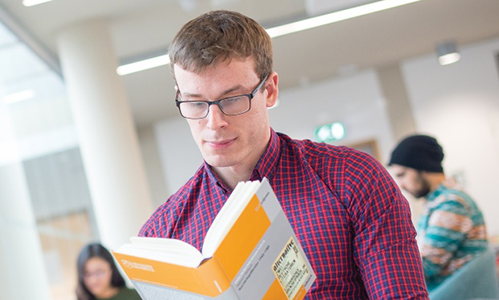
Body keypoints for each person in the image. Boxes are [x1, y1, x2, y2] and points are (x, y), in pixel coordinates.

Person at [137, 10, 428, 299]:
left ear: (270, 90)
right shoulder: (163, 234)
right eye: (195, 103)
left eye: (233, 99)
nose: (214, 123)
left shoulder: (351, 177)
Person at [388, 134, 488, 290]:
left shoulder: (452, 204)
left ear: (422, 167)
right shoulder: (437, 202)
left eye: (402, 175)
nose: (400, 184)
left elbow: (424, 268)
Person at [76, 243, 142, 300]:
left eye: (99, 272)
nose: (94, 280)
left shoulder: (137, 296)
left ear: (111, 269)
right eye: (88, 274)